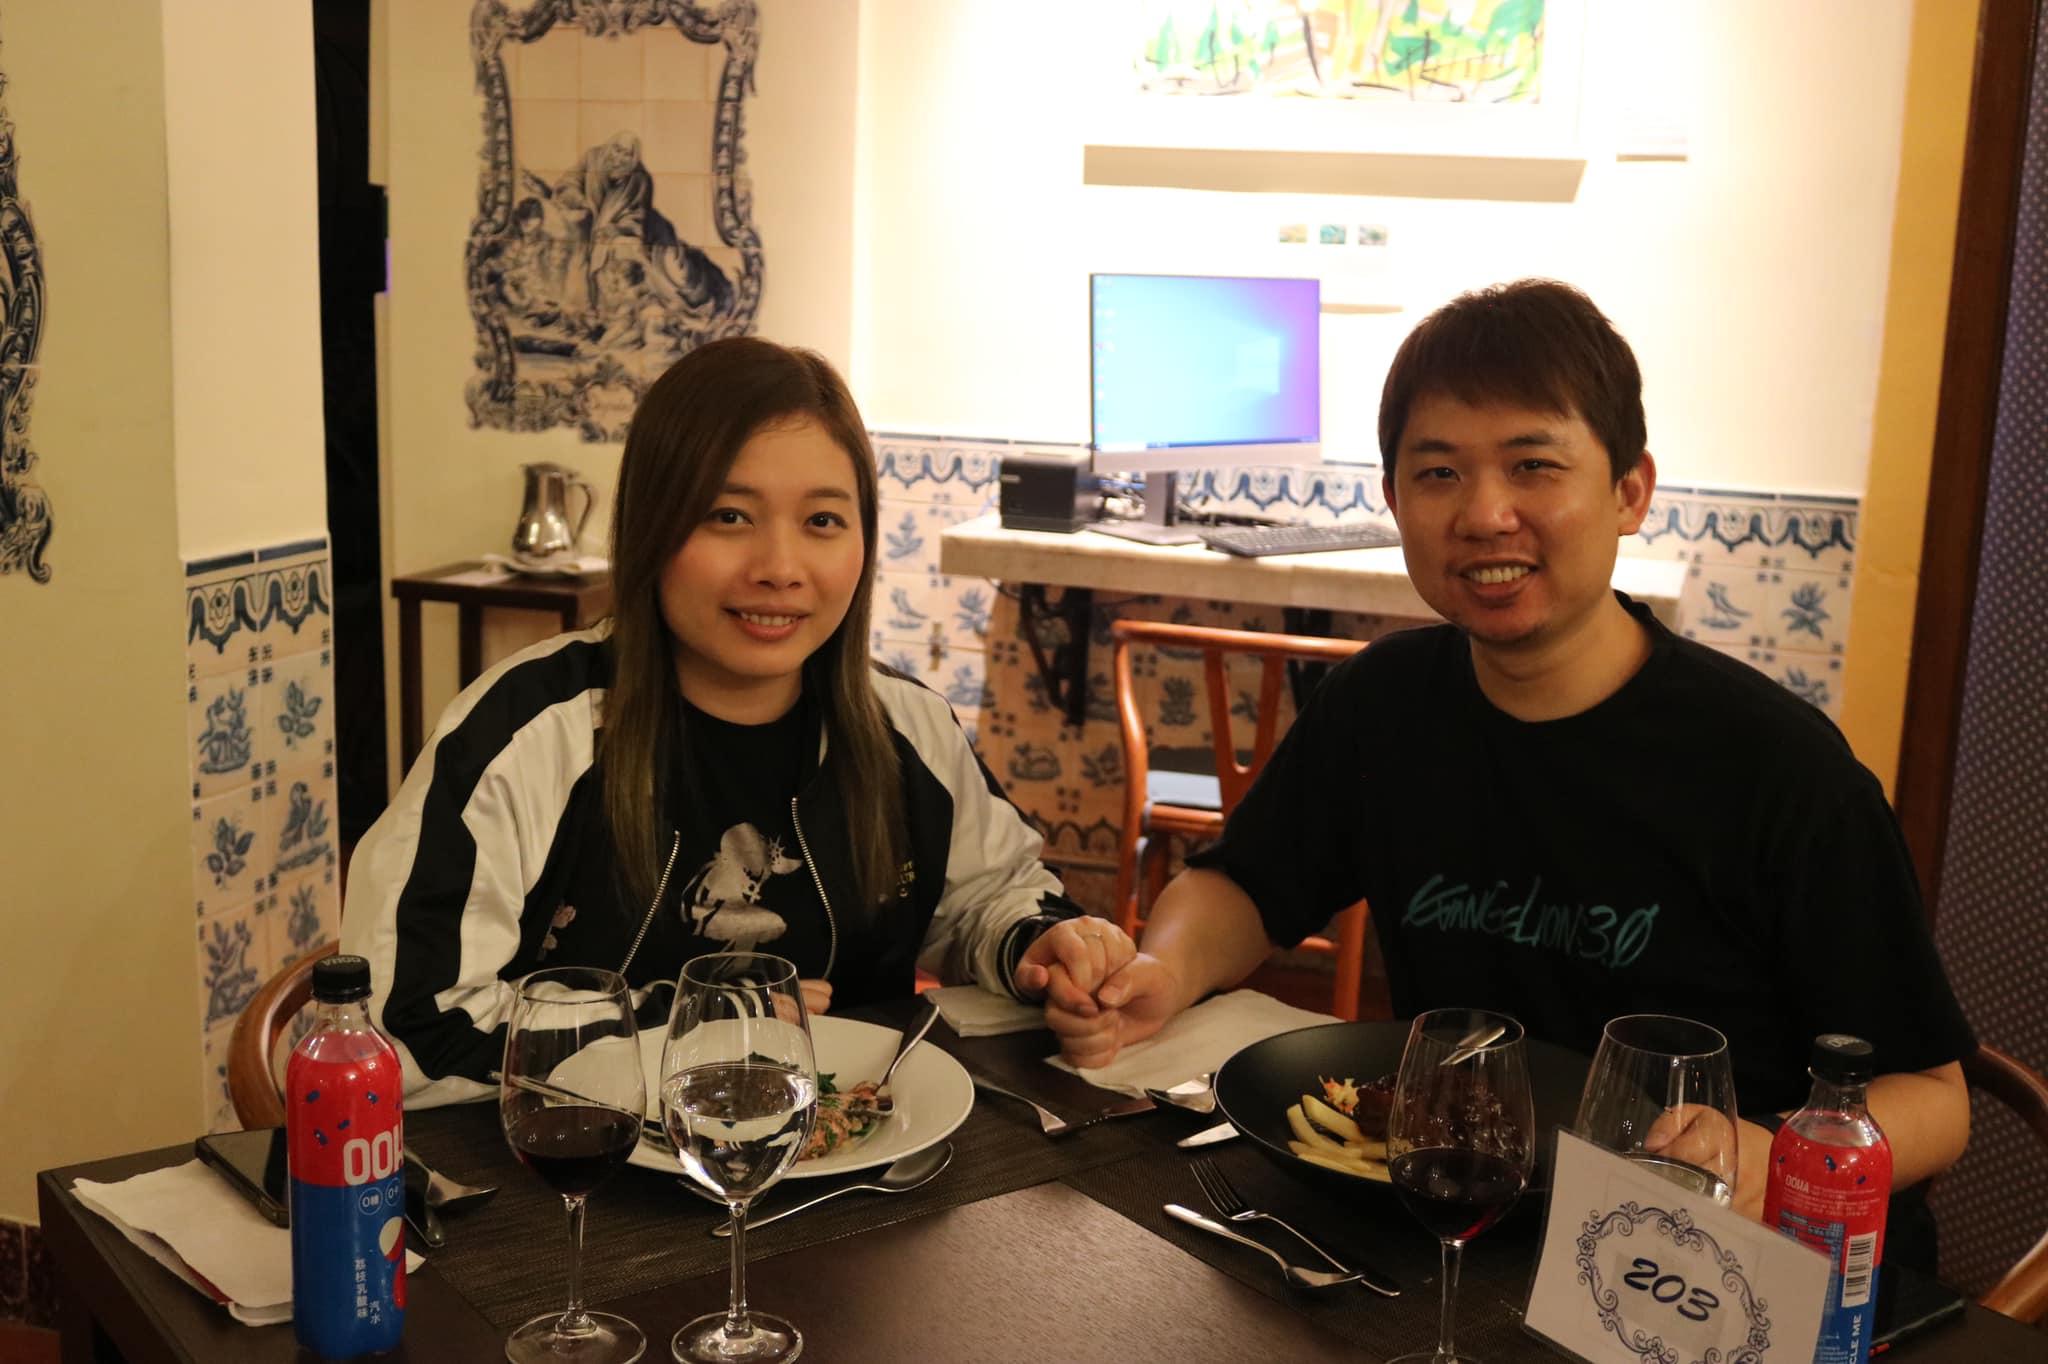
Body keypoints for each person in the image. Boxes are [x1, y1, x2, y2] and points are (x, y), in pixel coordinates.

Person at [1054, 280, 1973, 1256]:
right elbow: (1244, 885)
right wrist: (1163, 968)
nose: (1486, 514)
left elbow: (1934, 1096)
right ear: (1394, 501)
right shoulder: (1382, 705)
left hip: (1712, 1263)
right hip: (1464, 1223)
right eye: (1438, 473)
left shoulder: (1775, 765)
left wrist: (1769, 1155)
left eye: (1533, 464)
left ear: (1629, 491)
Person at [345, 337, 1133, 1107]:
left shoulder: (906, 727)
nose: (780, 569)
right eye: (728, 515)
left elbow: (989, 896)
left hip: (861, 1159)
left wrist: (1042, 947)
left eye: (823, 521)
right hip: (583, 1173)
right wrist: (690, 1023)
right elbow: (402, 1031)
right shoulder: (527, 734)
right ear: (651, 527)